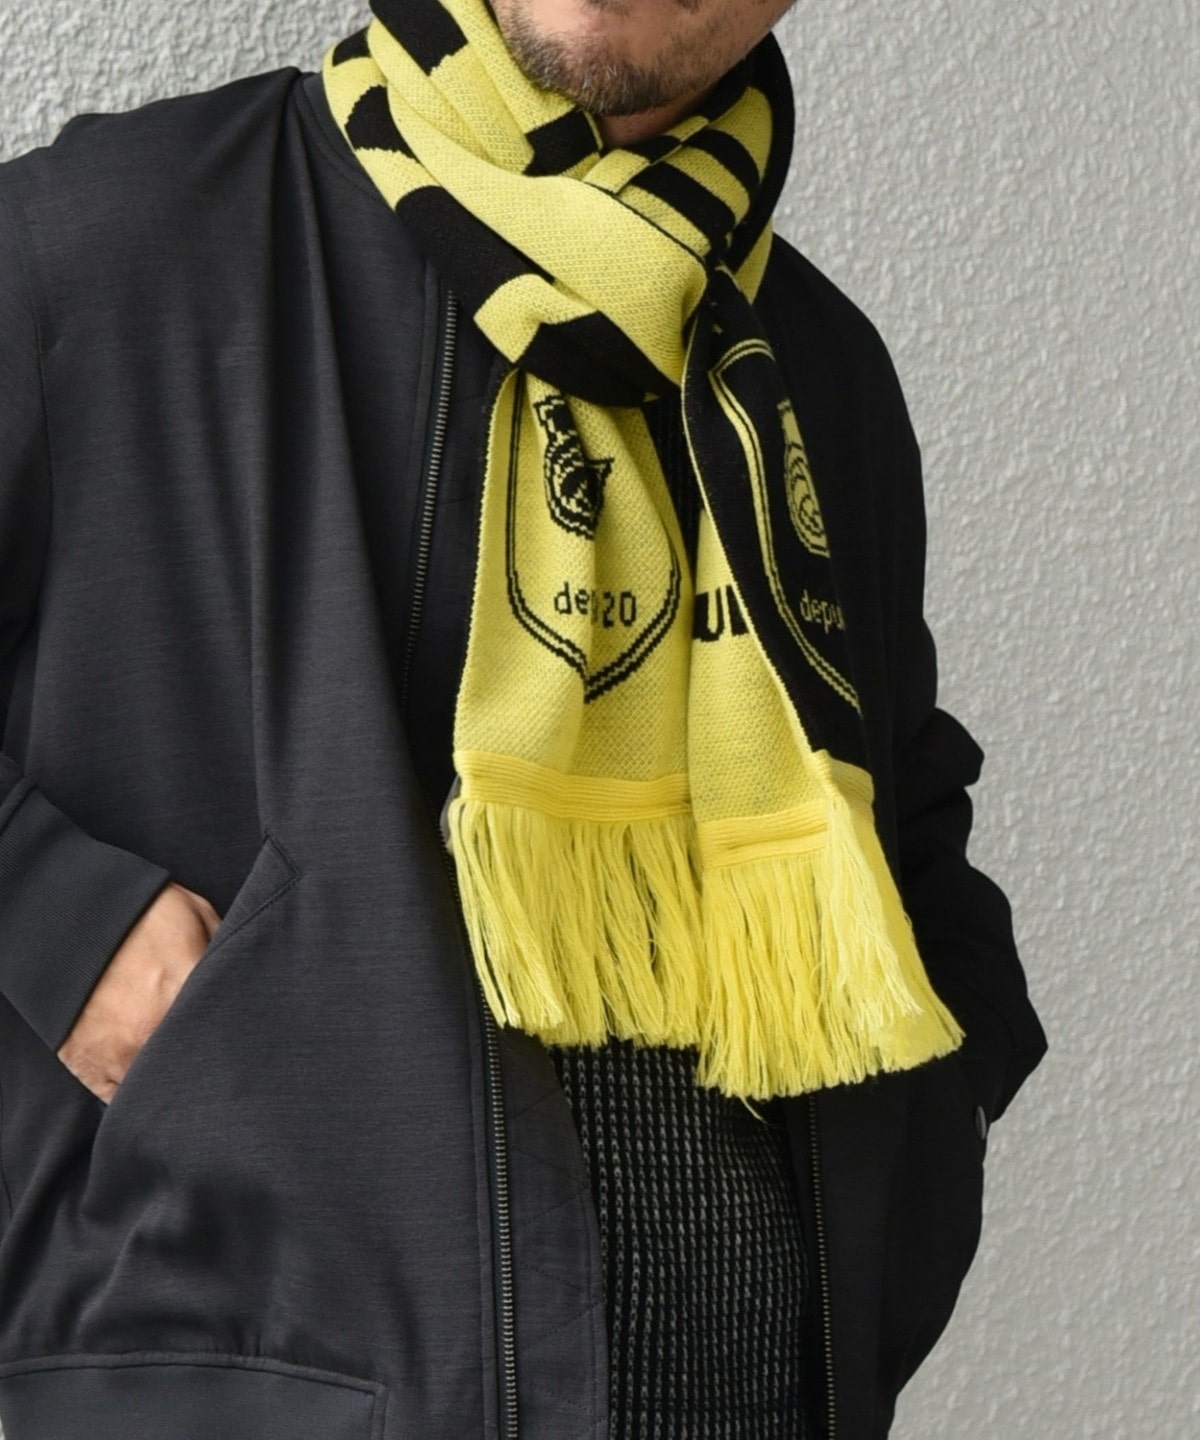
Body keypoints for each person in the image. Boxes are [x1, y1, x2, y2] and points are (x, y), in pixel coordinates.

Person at [0, 0, 1049, 1436]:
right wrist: (69, 931)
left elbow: (903, 807)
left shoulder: (808, 371)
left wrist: (932, 1134)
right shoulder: (112, 247)